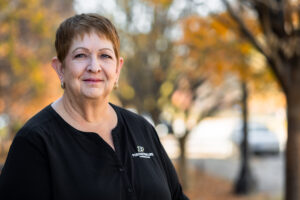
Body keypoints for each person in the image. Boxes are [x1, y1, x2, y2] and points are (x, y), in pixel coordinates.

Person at [0, 13, 189, 200]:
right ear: (60, 68)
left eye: (105, 56)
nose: (94, 67)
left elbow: (176, 196)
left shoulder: (142, 129)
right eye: (81, 55)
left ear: (117, 69)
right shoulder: (35, 141)